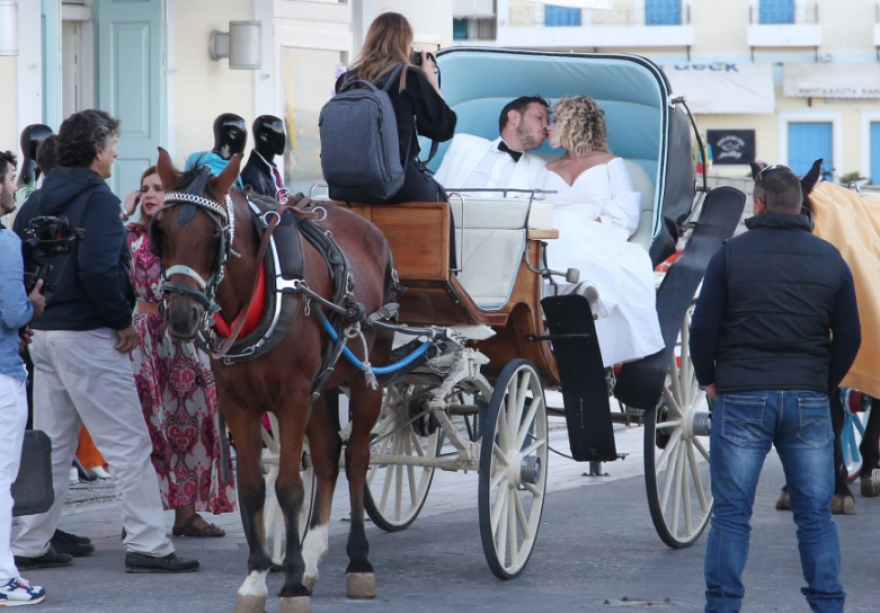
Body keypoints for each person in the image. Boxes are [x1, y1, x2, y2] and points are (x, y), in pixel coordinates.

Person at [11, 109, 199, 574]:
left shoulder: (36, 199)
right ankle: (149, 545)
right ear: (97, 151)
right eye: (113, 144)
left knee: (53, 444)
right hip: (90, 335)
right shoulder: (97, 199)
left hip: (46, 333)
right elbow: (99, 269)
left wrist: (31, 309)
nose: (116, 152)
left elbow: (21, 255)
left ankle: (32, 543)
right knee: (129, 444)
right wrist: (123, 321)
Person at [690, 164, 861, 613]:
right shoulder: (830, 258)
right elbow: (850, 336)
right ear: (800, 205)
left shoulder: (729, 255)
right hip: (806, 397)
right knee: (814, 516)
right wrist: (822, 384)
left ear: (759, 203)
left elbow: (703, 325)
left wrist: (709, 378)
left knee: (731, 515)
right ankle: (828, 605)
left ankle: (723, 606)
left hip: (742, 394)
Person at [121, 166, 236, 536]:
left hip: (183, 339)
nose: (151, 193)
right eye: (145, 188)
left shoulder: (186, 236)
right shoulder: (131, 236)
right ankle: (140, 515)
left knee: (190, 427)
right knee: (148, 429)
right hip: (145, 340)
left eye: (158, 188)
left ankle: (187, 513)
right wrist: (124, 215)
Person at [538, 96, 664, 366]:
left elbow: (627, 209)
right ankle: (577, 290)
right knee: (556, 227)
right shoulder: (546, 168)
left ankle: (585, 291)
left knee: (566, 225)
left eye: (557, 120)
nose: (549, 126)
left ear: (576, 124)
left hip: (599, 231)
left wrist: (592, 223)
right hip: (553, 234)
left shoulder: (610, 163)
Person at [337, 12, 457, 204]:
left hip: (346, 185)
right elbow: (443, 128)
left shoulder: (347, 80)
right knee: (440, 198)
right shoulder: (408, 77)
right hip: (396, 184)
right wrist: (430, 79)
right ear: (405, 43)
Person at [0, 150, 47, 607]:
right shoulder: (5, 243)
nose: (15, 186)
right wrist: (32, 304)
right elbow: (13, 312)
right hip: (3, 378)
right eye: (12, 178)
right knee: (1, 483)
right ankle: (3, 579)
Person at [434, 95, 548, 194]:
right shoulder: (463, 144)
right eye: (539, 118)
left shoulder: (540, 168)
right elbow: (434, 192)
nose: (546, 126)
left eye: (547, 122)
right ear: (514, 118)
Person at [184, 113, 246, 187]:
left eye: (245, 135)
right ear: (223, 135)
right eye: (236, 134)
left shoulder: (233, 168)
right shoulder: (206, 170)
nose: (243, 140)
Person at [241, 115, 287, 201]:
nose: (283, 139)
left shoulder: (270, 170)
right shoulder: (253, 176)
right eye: (279, 133)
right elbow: (268, 212)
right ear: (264, 137)